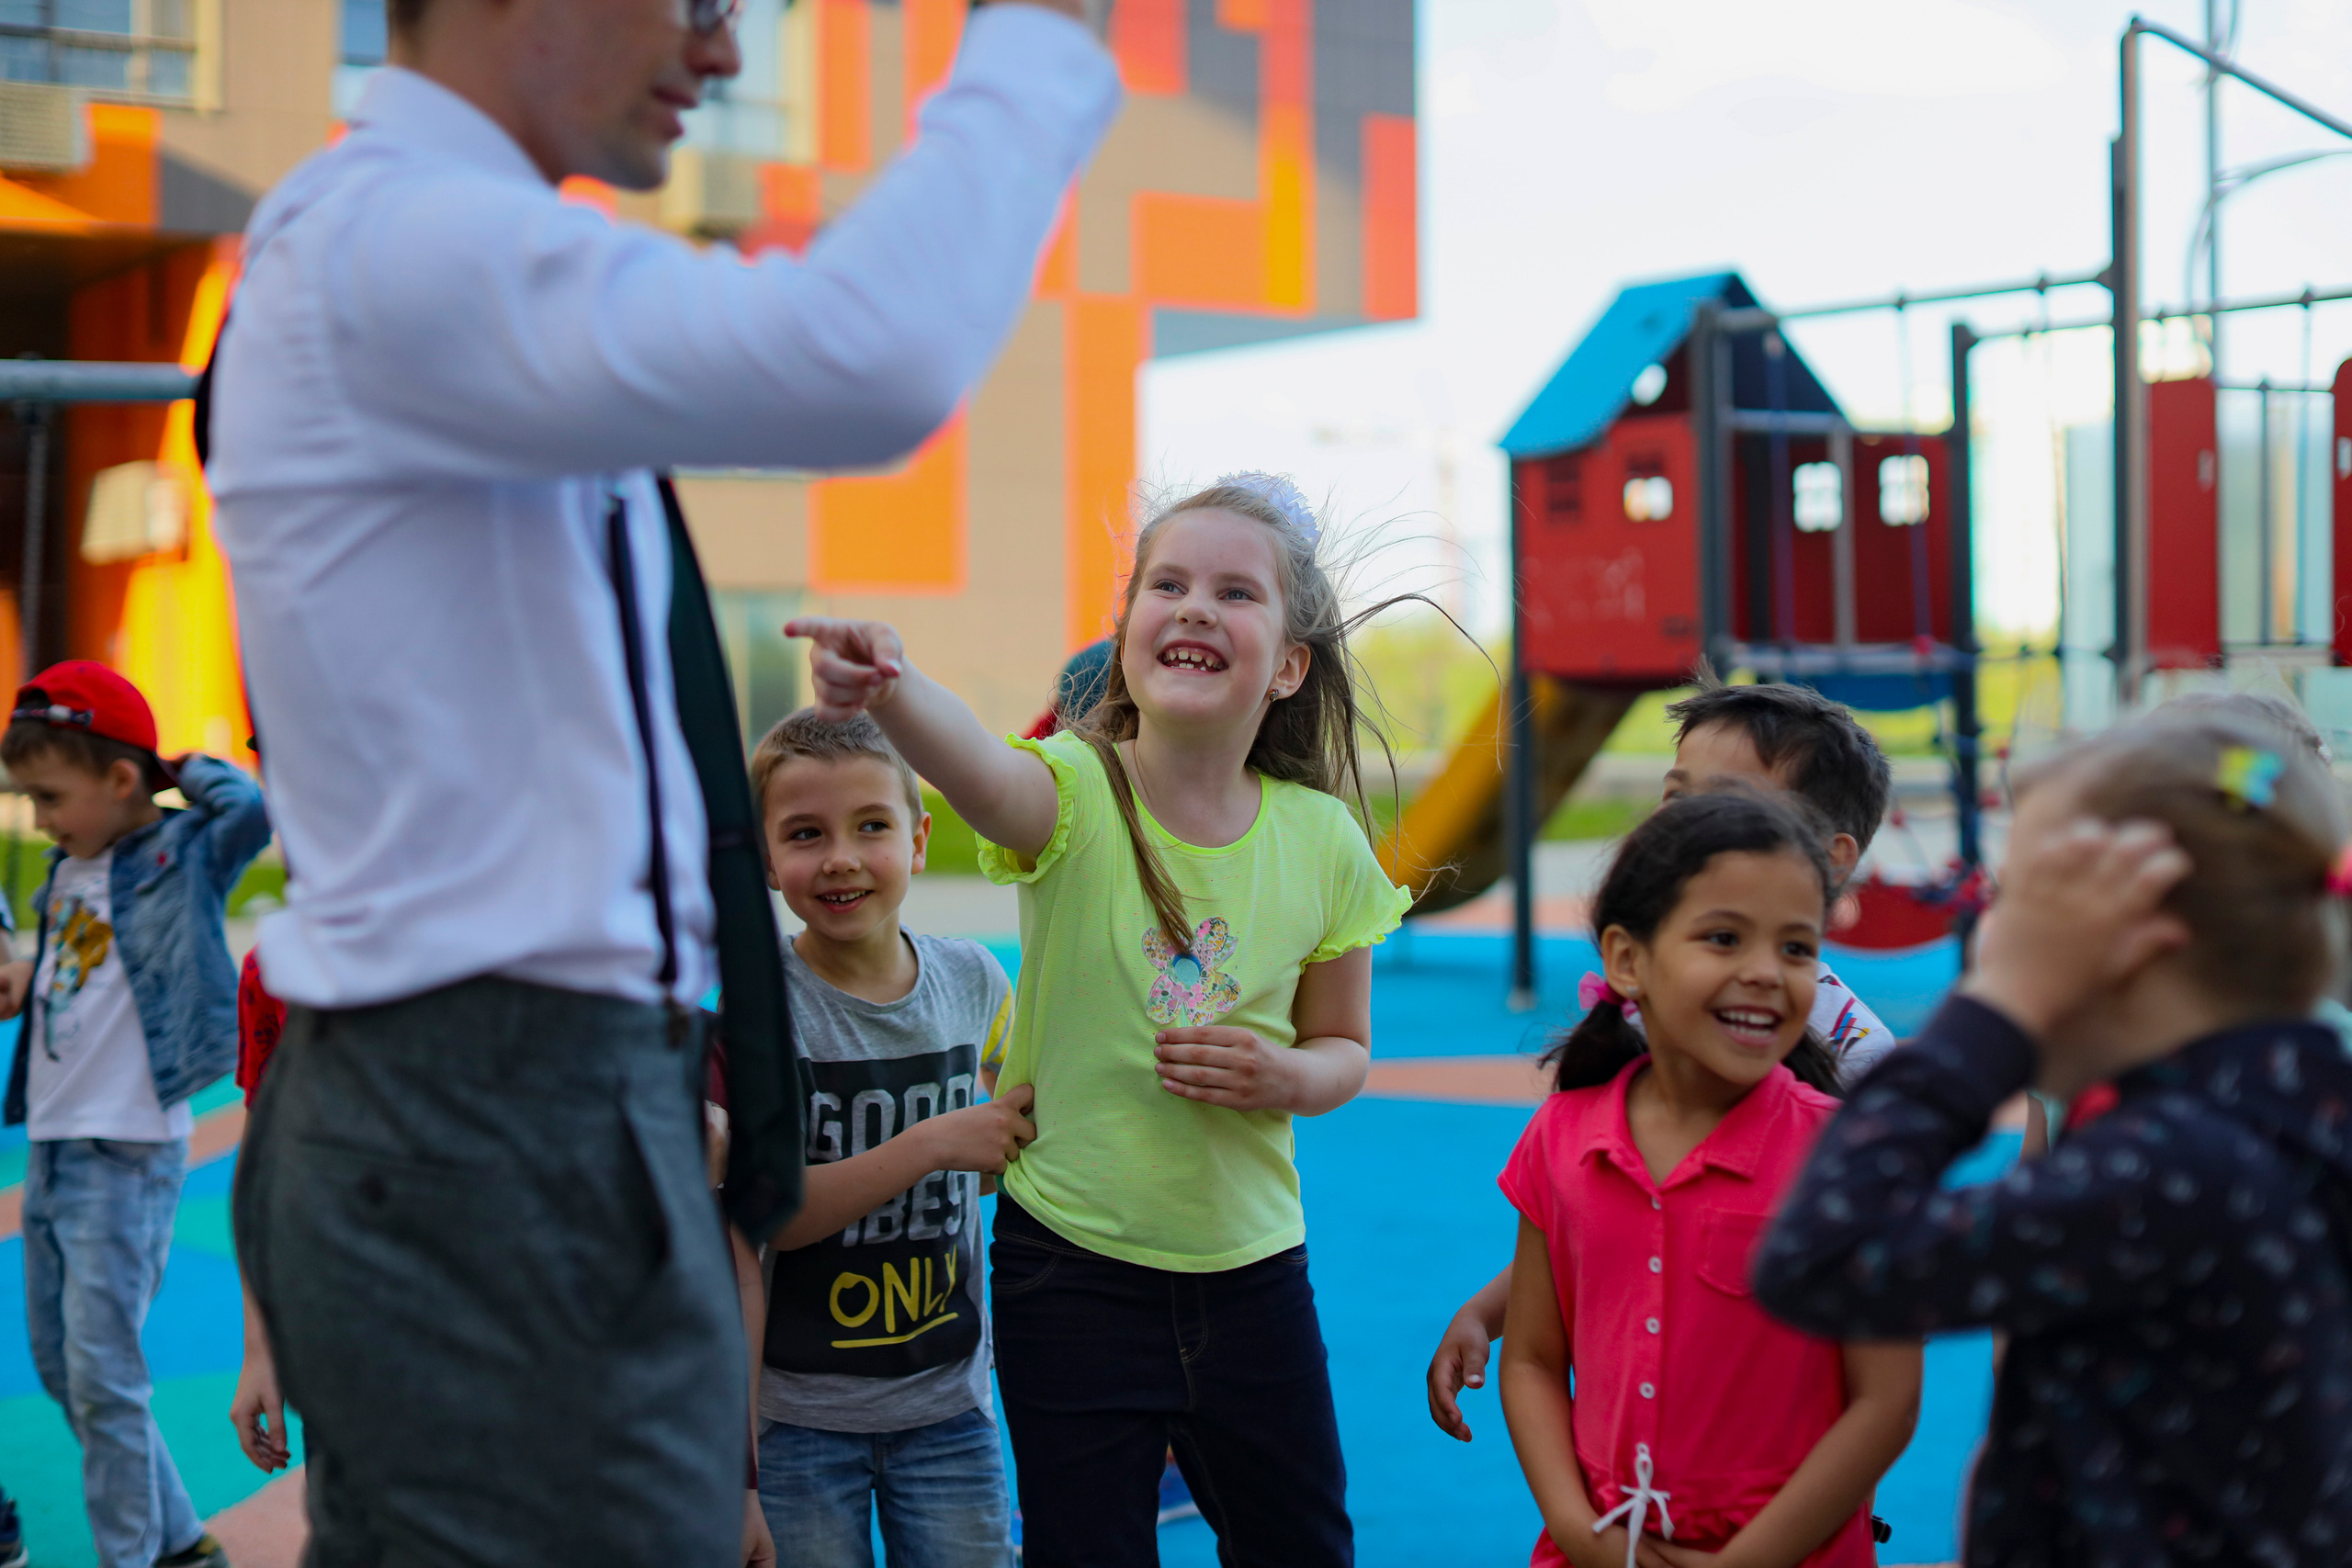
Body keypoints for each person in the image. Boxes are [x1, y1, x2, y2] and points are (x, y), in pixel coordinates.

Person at [206, 0, 1119, 1560]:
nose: (723, 50)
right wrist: (1038, 35)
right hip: (491, 1112)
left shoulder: (409, 252)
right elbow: (867, 353)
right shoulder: (400, 244)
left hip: (513, 1101)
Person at [791, 472, 1412, 1567]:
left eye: (1235, 592)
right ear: (1126, 634)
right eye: (1165, 583)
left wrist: (1288, 1077)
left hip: (1252, 1270)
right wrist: (891, 684)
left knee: (1301, 1542)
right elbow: (980, 774)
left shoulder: (1323, 841)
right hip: (1069, 1270)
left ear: (1288, 665)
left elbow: (1344, 1050)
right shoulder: (1075, 794)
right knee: (1086, 1549)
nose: (1193, 607)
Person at [1755, 706, 2352, 1563]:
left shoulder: (2168, 1170)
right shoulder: (2298, 1103)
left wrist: (1994, 1015)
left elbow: (1822, 1258)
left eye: (2024, 905)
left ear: (2137, 937)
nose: (1995, 936)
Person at [1427, 675, 1899, 1444]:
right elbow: (1619, 1216)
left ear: (1830, 859)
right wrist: (1490, 1310)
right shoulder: (1647, 1024)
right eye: (1677, 798)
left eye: (1727, 804)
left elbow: (1873, 1354)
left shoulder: (1858, 1063)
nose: (1683, 827)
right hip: (1630, 1452)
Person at [1497, 787, 1921, 1568]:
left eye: (1797, 948)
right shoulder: (1561, 1138)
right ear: (1628, 961)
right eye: (1724, 937)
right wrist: (1575, 1529)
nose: (1767, 972)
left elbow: (1886, 1401)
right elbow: (1529, 1358)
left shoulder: (1849, 1160)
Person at [0, 660, 271, 1568]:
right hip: (53, 1146)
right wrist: (23, 981)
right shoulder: (65, 867)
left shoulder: (176, 858)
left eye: (49, 796)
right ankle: (181, 1541)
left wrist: (169, 763)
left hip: (126, 1153)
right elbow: (85, 981)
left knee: (105, 1378)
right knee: (61, 1367)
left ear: (120, 783)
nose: (38, 817)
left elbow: (247, 811)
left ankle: (136, 1559)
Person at [745, 708, 1031, 1566]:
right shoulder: (765, 1009)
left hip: (947, 1406)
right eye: (805, 833)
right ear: (765, 858)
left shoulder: (973, 979)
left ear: (918, 838)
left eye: (871, 825)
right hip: (799, 1420)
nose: (839, 855)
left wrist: (988, 1148)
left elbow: (1017, 1121)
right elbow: (775, 1211)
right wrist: (937, 1144)